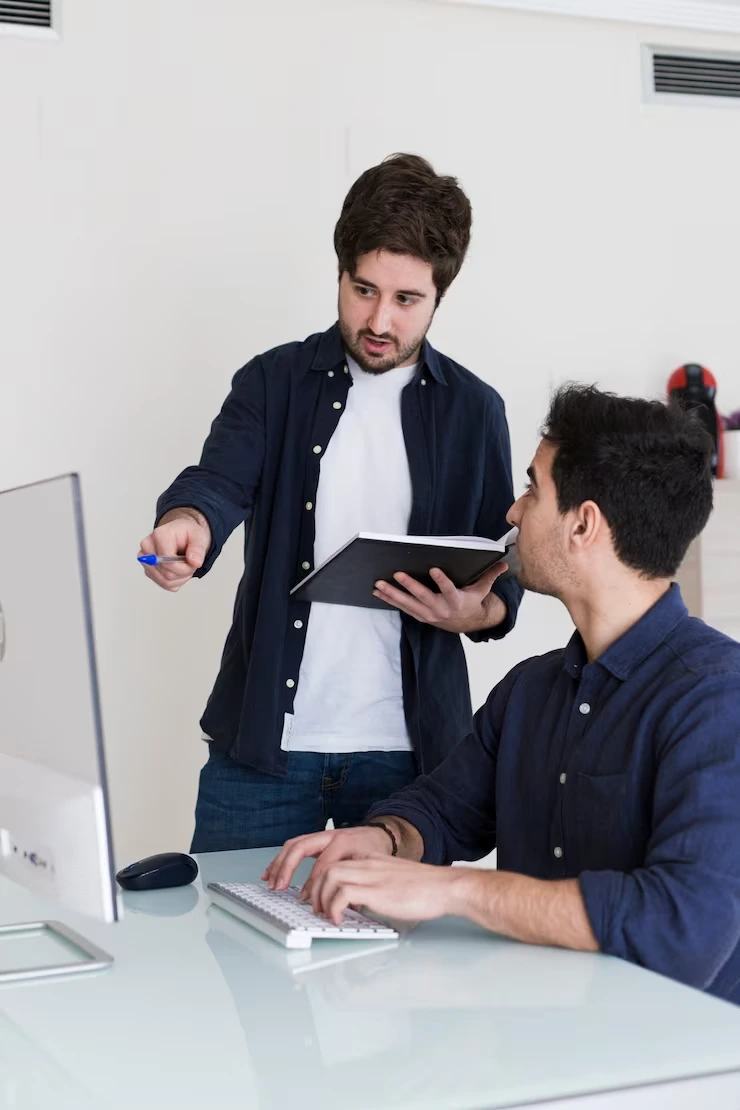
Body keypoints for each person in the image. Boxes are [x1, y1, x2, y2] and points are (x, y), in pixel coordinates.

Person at [265, 384, 740, 1004]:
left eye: (533, 488)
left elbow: (684, 926)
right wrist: (382, 840)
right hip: (537, 1036)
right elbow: (442, 811)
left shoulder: (715, 699)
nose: (514, 513)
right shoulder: (531, 690)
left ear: (584, 524)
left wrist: (455, 890)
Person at [139, 153, 523, 852]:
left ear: (440, 297)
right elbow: (218, 483)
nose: (378, 319)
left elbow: (506, 564)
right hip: (263, 750)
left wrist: (481, 611)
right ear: (340, 273)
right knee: (226, 947)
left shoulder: (476, 410)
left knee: (401, 962)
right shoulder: (272, 381)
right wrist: (184, 524)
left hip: (409, 762)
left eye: (406, 300)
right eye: (363, 289)